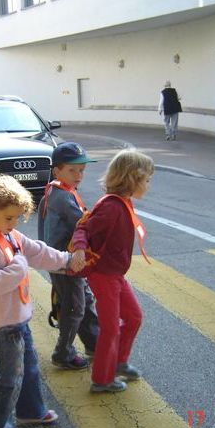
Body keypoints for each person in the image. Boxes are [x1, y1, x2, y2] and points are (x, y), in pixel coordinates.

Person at [0, 174, 84, 428]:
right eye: (9, 218)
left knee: (29, 367)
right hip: (3, 324)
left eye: (18, 218)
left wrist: (68, 261)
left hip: (17, 319)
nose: (14, 224)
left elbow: (39, 252)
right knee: (10, 377)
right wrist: (19, 266)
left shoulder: (11, 235)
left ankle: (30, 411)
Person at [71, 149, 154, 393]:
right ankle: (102, 379)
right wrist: (78, 250)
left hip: (115, 274)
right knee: (110, 327)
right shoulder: (111, 207)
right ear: (132, 178)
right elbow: (84, 229)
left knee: (134, 317)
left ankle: (118, 363)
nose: (148, 185)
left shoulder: (123, 202)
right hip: (104, 276)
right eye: (146, 179)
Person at [37, 142, 99, 370]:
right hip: (65, 262)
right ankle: (63, 353)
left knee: (83, 301)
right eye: (73, 170)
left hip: (64, 260)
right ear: (57, 171)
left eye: (82, 170)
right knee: (75, 308)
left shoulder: (56, 191)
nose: (79, 175)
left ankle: (95, 343)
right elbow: (86, 224)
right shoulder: (62, 197)